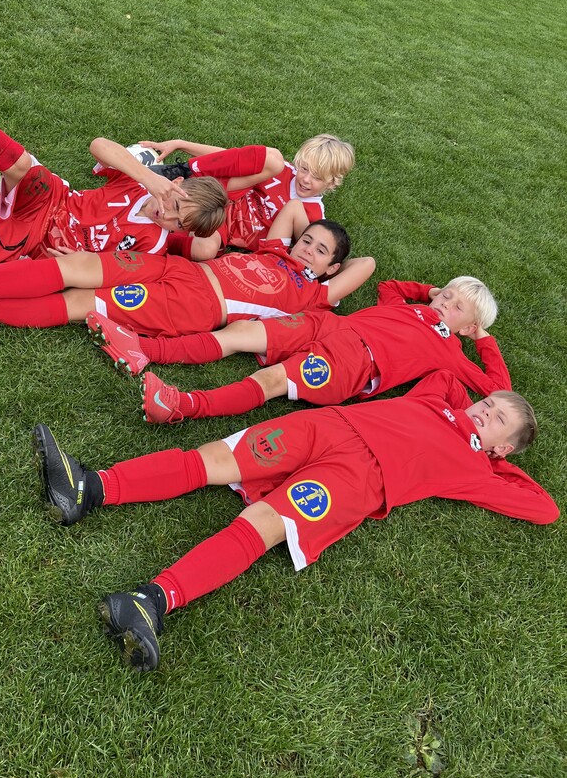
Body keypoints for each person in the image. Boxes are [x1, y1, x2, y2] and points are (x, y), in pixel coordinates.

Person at [32, 370, 558, 671]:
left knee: (261, 526)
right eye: (489, 402)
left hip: (357, 479)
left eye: (497, 419)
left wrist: (495, 460)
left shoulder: (476, 468)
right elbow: (448, 376)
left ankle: (151, 602)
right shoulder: (437, 401)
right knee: (210, 460)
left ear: (503, 448)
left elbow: (544, 508)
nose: (484, 410)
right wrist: (481, 386)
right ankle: (88, 488)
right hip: (330, 425)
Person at [0, 58, 228, 269]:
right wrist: (149, 179)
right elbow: (99, 146)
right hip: (52, 199)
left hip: (39, 245)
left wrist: (77, 264)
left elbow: (107, 278)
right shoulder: (139, 182)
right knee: (18, 161)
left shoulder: (152, 246)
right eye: (175, 205)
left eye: (177, 223)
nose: (166, 216)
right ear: (175, 184)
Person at [89, 276, 511, 424]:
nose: (445, 303)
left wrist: (483, 340)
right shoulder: (409, 307)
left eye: (457, 306)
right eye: (447, 293)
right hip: (330, 325)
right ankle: (143, 349)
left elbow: (497, 387)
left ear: (467, 326)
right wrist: (429, 291)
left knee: (271, 379)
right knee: (241, 332)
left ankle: (182, 405)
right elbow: (388, 288)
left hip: (353, 361)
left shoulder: (450, 349)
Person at [0, 216, 377, 333]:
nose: (307, 249)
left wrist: (321, 274)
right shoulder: (275, 251)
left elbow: (366, 265)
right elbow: (292, 209)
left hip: (193, 307)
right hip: (182, 269)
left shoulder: (314, 294)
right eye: (306, 240)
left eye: (320, 251)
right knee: (78, 266)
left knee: (78, 303)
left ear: (331, 268)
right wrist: (302, 243)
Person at [141, 135, 355, 259]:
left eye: (316, 177)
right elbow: (230, 158)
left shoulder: (314, 217)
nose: (306, 179)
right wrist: (182, 144)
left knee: (204, 249)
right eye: (304, 169)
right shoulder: (283, 170)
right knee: (271, 160)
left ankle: (153, 240)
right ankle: (180, 174)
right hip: (218, 198)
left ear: (332, 182)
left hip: (223, 229)